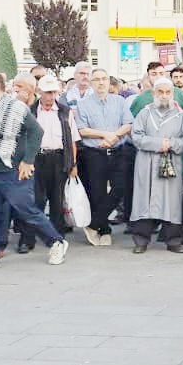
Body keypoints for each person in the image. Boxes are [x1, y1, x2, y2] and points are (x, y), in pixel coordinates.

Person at [0, 73, 68, 271]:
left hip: (13, 172)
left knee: (27, 211)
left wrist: (28, 161)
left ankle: (56, 242)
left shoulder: (16, 107)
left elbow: (36, 131)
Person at [129, 76, 183, 254]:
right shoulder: (145, 113)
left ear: (172, 93)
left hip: (171, 163)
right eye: (160, 92)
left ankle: (173, 241)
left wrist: (171, 144)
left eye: (168, 92)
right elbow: (136, 137)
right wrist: (158, 144)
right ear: (154, 93)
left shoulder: (182, 116)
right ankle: (141, 241)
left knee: (172, 202)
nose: (164, 96)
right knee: (144, 201)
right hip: (147, 164)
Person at [74, 67, 134, 246]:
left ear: (109, 82)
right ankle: (104, 230)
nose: (101, 82)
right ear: (92, 83)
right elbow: (82, 129)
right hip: (95, 153)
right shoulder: (83, 104)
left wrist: (114, 136)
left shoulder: (119, 101)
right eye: (97, 79)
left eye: (104, 79)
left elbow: (128, 123)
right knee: (97, 192)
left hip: (118, 151)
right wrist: (104, 135)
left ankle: (93, 224)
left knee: (120, 189)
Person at [30, 75, 78, 242]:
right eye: (47, 92)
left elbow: (72, 140)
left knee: (57, 200)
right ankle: (28, 238)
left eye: (53, 92)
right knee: (35, 200)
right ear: (39, 92)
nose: (50, 96)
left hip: (58, 159)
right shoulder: (31, 111)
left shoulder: (65, 112)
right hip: (36, 159)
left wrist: (73, 164)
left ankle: (57, 237)